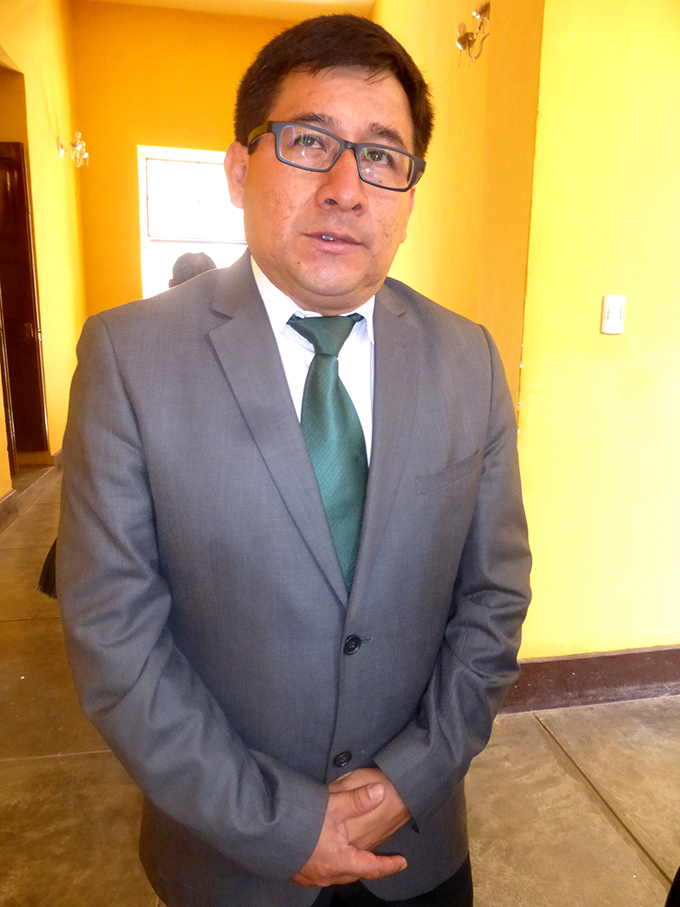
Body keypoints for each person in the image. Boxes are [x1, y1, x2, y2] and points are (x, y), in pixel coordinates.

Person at [57, 14, 531, 907]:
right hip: (226, 863)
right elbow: (115, 638)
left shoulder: (467, 357)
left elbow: (493, 598)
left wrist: (412, 777)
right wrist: (276, 822)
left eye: (382, 156)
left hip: (419, 847)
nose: (347, 189)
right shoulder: (131, 358)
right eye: (310, 142)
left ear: (409, 193)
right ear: (240, 170)